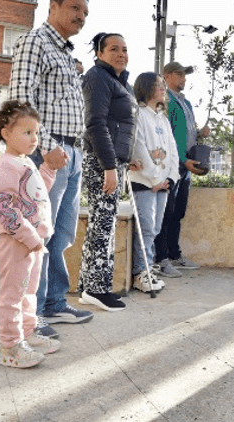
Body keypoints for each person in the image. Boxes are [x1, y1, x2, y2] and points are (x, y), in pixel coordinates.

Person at [4, 0, 95, 339]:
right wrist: (45, 148)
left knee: (62, 234)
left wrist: (73, 151)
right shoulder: (35, 43)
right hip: (50, 153)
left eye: (85, 13)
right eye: (74, 8)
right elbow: (21, 101)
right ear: (53, 7)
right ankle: (31, 314)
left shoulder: (66, 55)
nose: (80, 17)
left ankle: (54, 303)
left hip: (72, 153)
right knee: (38, 233)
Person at [0, 100, 62, 368]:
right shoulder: (5, 165)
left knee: (29, 291)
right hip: (16, 243)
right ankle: (10, 345)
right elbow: (3, 209)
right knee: (12, 295)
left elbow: (37, 192)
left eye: (36, 133)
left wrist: (49, 169)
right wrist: (30, 238)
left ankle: (27, 334)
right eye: (27, 132)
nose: (34, 139)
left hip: (33, 242)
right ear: (6, 133)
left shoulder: (25, 162)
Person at [77, 32, 135, 312]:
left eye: (124, 49)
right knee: (103, 226)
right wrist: (110, 166)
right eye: (114, 49)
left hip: (113, 160)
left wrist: (125, 159)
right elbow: (96, 123)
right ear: (99, 53)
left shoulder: (115, 80)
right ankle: (98, 289)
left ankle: (89, 287)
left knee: (103, 224)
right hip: (103, 161)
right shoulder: (98, 77)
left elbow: (119, 125)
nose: (121, 53)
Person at [154, 61, 210, 278]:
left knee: (178, 213)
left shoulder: (185, 103)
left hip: (186, 166)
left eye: (185, 75)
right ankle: (161, 259)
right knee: (165, 213)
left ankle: (174, 254)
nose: (183, 78)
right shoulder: (165, 102)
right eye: (179, 74)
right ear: (166, 76)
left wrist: (200, 134)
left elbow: (184, 133)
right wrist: (182, 160)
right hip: (173, 165)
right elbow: (167, 135)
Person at [127, 72, 179, 294]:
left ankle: (148, 268)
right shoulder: (138, 114)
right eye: (159, 86)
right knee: (146, 228)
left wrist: (170, 178)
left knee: (155, 228)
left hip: (162, 185)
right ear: (146, 89)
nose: (163, 90)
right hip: (144, 182)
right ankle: (141, 272)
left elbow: (173, 152)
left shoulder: (163, 120)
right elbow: (138, 147)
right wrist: (155, 178)